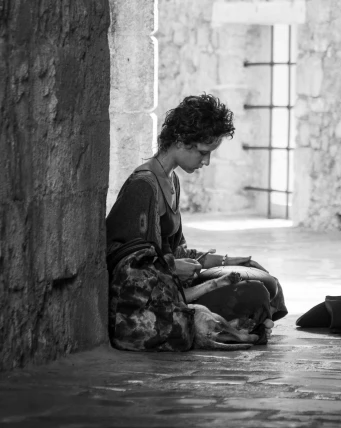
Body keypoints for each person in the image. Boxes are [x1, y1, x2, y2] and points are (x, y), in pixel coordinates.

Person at [106, 94, 287, 350]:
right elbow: (122, 262)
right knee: (256, 293)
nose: (206, 161)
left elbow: (176, 250)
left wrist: (225, 261)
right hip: (156, 296)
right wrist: (171, 267)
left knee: (265, 279)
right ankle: (235, 325)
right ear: (180, 141)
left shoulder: (172, 181)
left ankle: (237, 324)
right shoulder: (142, 186)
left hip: (175, 281)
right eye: (203, 152)